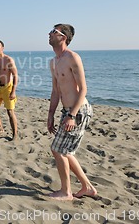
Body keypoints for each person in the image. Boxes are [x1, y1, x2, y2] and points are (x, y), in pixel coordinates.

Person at [47, 24, 97, 200]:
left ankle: (66, 192)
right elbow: (56, 92)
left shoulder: (73, 58)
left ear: (63, 37)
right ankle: (87, 187)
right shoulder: (53, 62)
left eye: (54, 32)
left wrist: (71, 115)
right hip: (66, 111)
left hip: (79, 110)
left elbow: (83, 89)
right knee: (65, 151)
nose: (50, 33)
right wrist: (51, 115)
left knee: (58, 150)